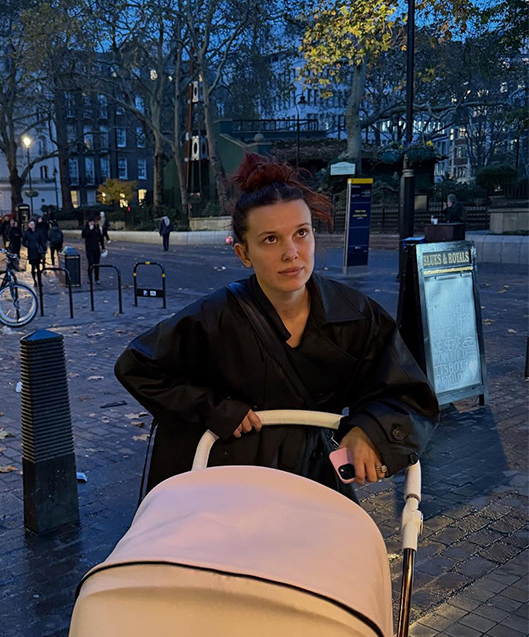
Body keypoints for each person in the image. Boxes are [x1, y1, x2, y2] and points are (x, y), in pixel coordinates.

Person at [116, 153, 439, 497]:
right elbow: (137, 365)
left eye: (301, 233)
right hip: (227, 487)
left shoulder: (357, 315)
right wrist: (214, 407)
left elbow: (409, 395)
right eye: (271, 239)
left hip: (311, 480)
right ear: (243, 254)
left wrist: (371, 430)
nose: (291, 252)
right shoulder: (213, 319)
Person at [82, 218, 103, 282]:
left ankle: (97, 278)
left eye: (92, 222)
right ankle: (90, 277)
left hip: (96, 248)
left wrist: (103, 246)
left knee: (97, 264)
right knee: (91, 263)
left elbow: (100, 237)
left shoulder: (96, 229)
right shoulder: (86, 228)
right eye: (90, 222)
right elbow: (83, 235)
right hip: (89, 249)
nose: (91, 223)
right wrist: (89, 230)